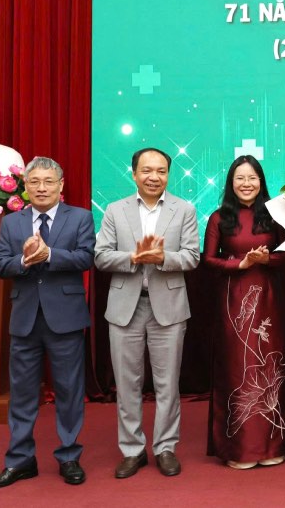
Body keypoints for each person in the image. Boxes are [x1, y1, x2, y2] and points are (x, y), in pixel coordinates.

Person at [0, 157, 95, 489]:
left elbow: (88, 257)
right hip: (25, 319)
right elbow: (0, 264)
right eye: (35, 182)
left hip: (66, 318)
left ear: (61, 185)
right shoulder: (13, 223)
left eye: (48, 181)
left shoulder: (81, 218)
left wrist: (50, 255)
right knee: (21, 394)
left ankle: (69, 456)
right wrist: (22, 260)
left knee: (69, 391)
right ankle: (20, 461)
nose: (42, 187)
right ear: (26, 186)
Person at [94, 148, 200, 478]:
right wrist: (135, 258)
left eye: (161, 171)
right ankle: (132, 450)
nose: (154, 177)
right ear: (134, 174)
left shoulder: (184, 210)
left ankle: (165, 447)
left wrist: (161, 258)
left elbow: (192, 257)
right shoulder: (115, 210)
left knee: (168, 383)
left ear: (169, 174)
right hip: (125, 305)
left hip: (168, 307)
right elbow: (100, 257)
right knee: (127, 384)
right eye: (146, 170)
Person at [202, 156, 285, 469]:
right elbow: (208, 260)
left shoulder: (274, 215)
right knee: (237, 365)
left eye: (253, 177)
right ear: (231, 183)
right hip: (234, 301)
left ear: (261, 181)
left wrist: (265, 261)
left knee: (272, 365)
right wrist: (240, 264)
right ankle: (239, 448)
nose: (247, 184)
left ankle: (274, 444)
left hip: (270, 300)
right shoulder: (219, 218)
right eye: (240, 178)